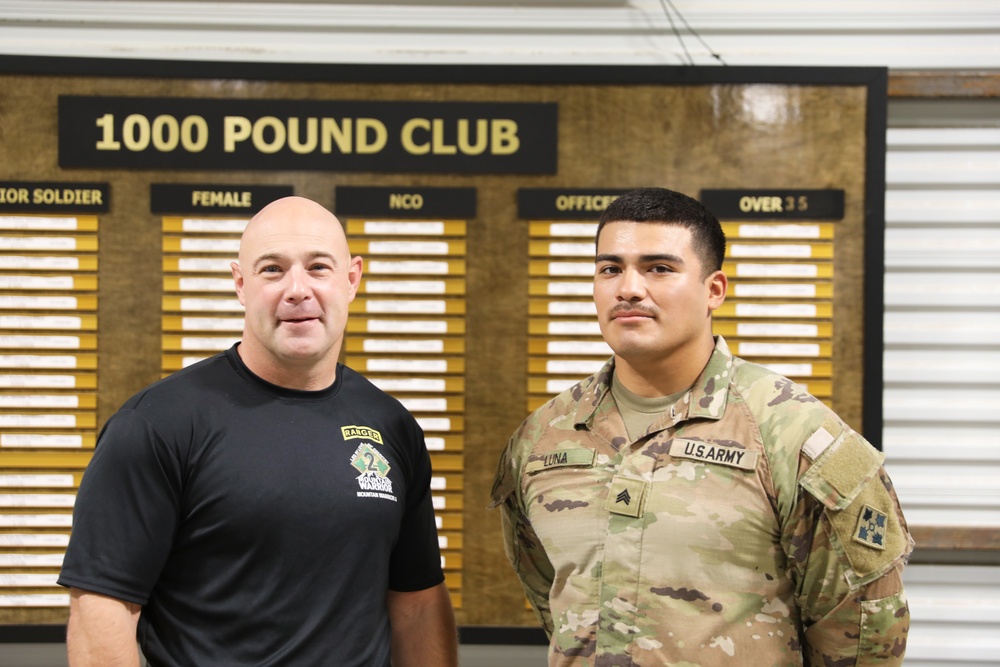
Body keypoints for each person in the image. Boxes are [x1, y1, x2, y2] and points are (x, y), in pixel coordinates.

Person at [491, 187, 912, 666]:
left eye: (659, 268)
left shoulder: (794, 434)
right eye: (611, 268)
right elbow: (553, 598)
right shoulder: (542, 438)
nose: (628, 287)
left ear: (714, 290)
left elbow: (862, 633)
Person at [58, 196, 458, 667]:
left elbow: (416, 604)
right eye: (272, 269)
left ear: (351, 280)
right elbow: (103, 607)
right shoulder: (158, 424)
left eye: (318, 267)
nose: (297, 290)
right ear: (240, 284)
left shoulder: (391, 425)